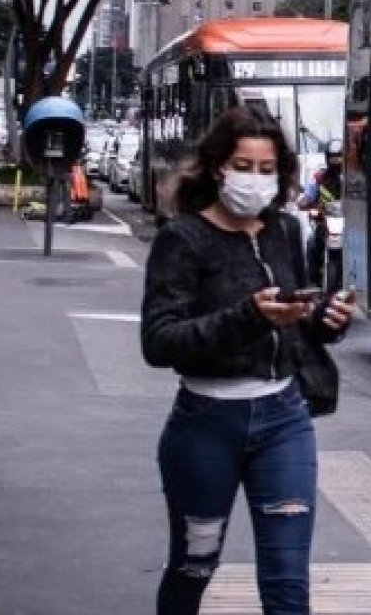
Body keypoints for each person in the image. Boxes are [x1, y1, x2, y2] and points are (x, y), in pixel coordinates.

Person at [141, 107, 353, 615]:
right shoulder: (183, 238)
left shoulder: (284, 230)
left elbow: (293, 322)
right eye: (244, 165)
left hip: (284, 421)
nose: (255, 179)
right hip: (205, 426)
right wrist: (249, 316)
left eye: (266, 169)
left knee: (287, 583)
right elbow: (159, 340)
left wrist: (324, 317)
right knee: (194, 567)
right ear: (218, 167)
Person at [296, 142, 343, 287]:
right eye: (333, 158)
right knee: (311, 244)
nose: (336, 161)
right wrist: (305, 202)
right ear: (327, 158)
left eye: (338, 158)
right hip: (325, 221)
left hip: (346, 223)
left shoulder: (352, 176)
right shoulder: (319, 178)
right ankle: (313, 280)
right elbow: (308, 195)